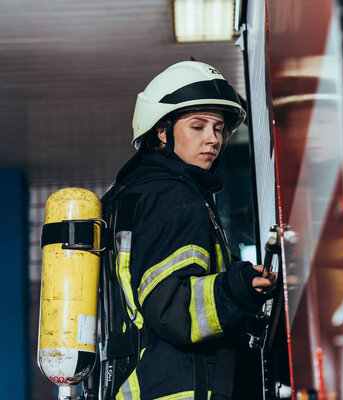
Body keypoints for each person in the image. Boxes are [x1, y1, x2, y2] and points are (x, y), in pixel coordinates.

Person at [101, 60, 276, 400]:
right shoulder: (172, 196)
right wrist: (236, 287)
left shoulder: (136, 194)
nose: (213, 139)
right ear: (162, 131)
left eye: (218, 128)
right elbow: (172, 311)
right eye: (198, 126)